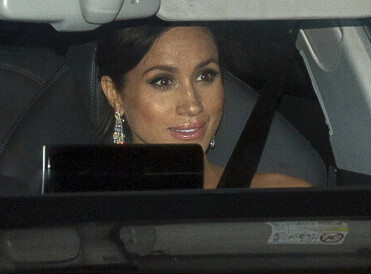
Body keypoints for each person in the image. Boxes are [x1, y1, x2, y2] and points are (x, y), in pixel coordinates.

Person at [95, 20, 310, 189]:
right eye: (163, 82)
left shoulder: (285, 195)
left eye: (205, 76)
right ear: (114, 94)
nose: (192, 105)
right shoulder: (84, 211)